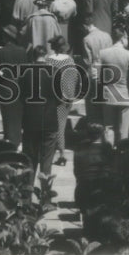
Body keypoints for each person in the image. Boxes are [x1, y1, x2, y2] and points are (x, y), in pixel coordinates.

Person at [19, 45, 61, 183]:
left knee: (29, 160)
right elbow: (60, 99)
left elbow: (20, 96)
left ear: (33, 56)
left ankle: (27, 196)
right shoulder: (54, 72)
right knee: (47, 161)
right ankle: (45, 197)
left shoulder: (25, 72)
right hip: (49, 120)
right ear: (46, 56)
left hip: (30, 121)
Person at [98, 24, 129, 145]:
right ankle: (122, 152)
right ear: (123, 37)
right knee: (124, 130)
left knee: (109, 127)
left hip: (108, 95)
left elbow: (94, 74)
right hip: (125, 95)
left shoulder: (102, 53)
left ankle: (108, 152)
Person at [0, 23, 29, 148]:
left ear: (6, 37)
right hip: (19, 90)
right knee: (18, 118)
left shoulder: (0, 52)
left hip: (5, 90)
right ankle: (16, 142)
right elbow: (25, 73)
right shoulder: (22, 52)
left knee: (7, 118)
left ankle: (9, 142)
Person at [47, 34, 81, 166]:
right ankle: (60, 152)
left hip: (53, 97)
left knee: (55, 126)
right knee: (61, 124)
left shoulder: (49, 60)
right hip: (66, 96)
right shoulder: (70, 60)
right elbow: (74, 79)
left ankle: (59, 152)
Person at [82, 18, 113, 123]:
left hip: (95, 68)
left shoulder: (87, 39)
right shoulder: (107, 35)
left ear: (86, 26)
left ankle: (94, 122)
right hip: (107, 68)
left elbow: (88, 59)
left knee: (92, 98)